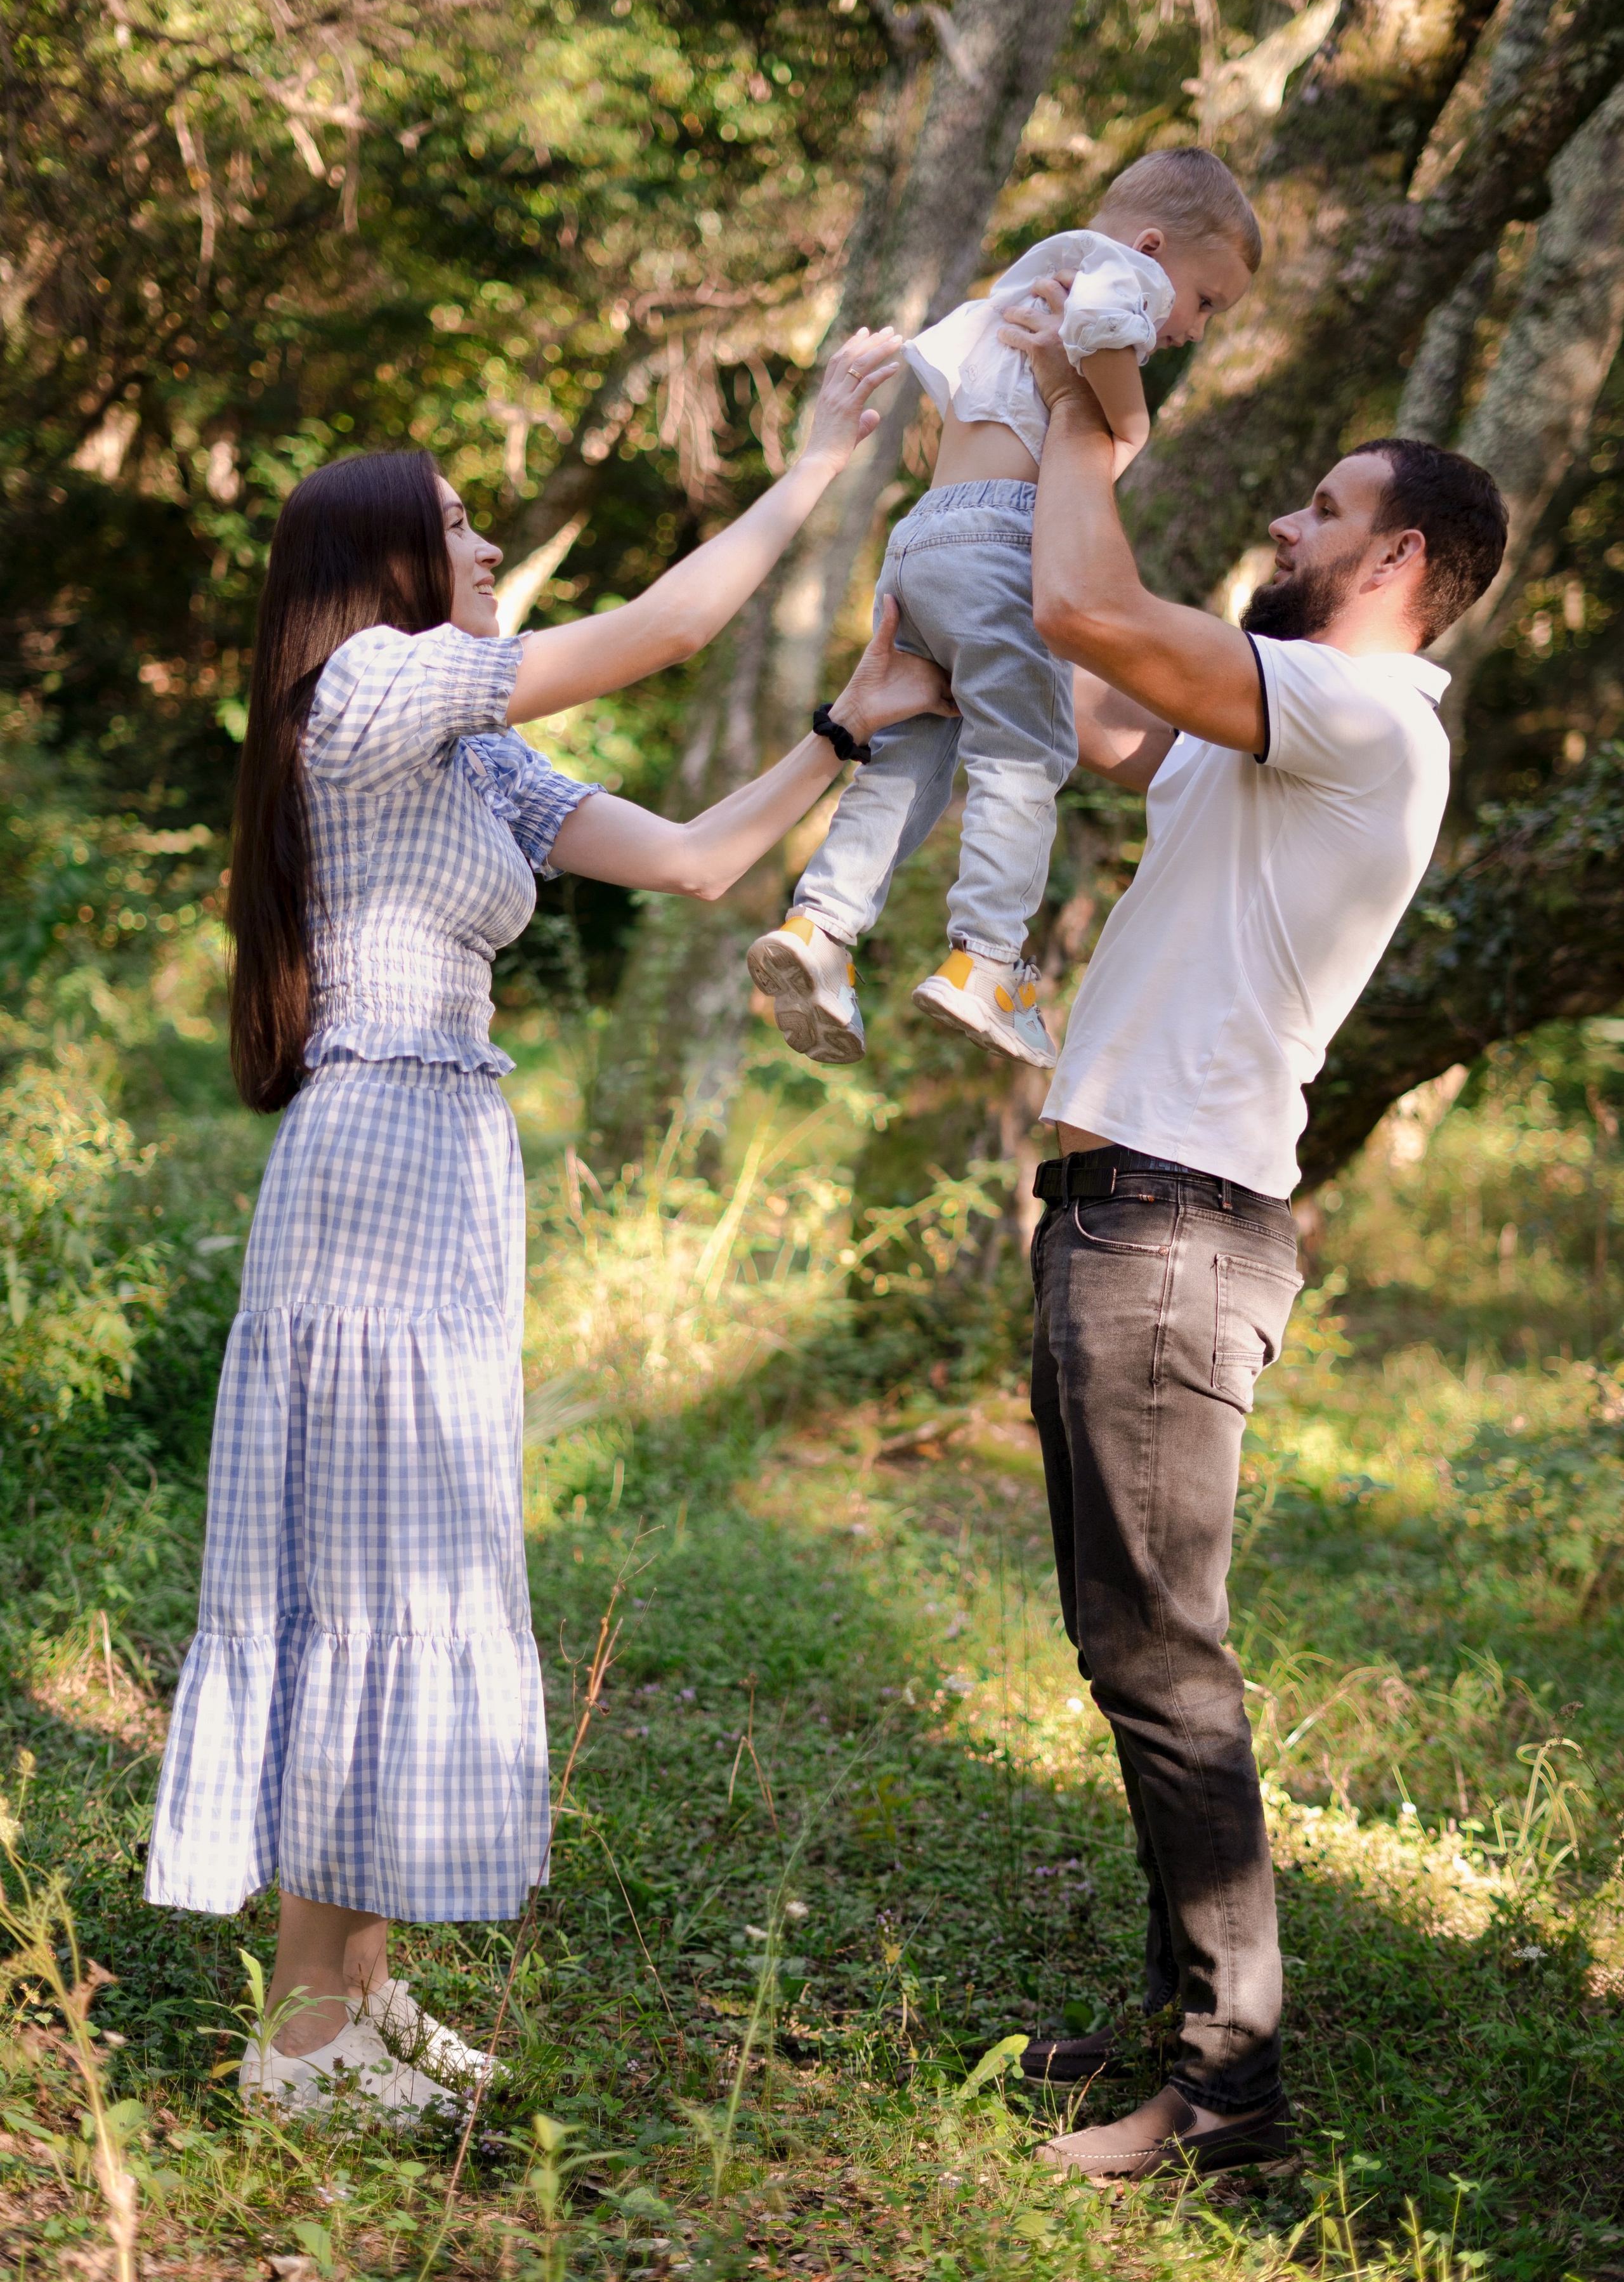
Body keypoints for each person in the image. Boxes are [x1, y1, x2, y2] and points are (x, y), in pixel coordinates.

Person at [141, 330, 956, 2117]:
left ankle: (360, 1991)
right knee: (370, 1563)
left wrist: (847, 724)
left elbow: (690, 861)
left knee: (415, 1549)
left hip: (448, 1162)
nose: (492, 547)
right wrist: (820, 463)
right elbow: (662, 632)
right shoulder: (365, 697)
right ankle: (301, 2041)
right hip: (375, 1161)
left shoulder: (461, 749)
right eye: (458, 523)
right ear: (379, 564)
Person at [995, 280, 1507, 2180]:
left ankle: (1227, 2102)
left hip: (1177, 1231)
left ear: (1407, 559)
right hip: (1128, 1208)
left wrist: (1088, 416)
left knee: (1167, 1664)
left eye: (1316, 509)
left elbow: (1086, 610)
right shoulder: (1277, 719)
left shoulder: (1368, 720)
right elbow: (1100, 707)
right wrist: (1064, 416)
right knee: (1133, 1650)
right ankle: (1178, 2041)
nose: (1283, 527)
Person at [744, 148, 1259, 1071]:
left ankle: (823, 929)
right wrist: (1128, 427)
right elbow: (1103, 328)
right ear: (1151, 247)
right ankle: (987, 959)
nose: (1198, 326)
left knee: (909, 752)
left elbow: (941, 359)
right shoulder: (1113, 276)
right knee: (1024, 755)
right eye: (1208, 300)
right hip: (1003, 544)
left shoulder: (1025, 278)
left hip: (925, 538)